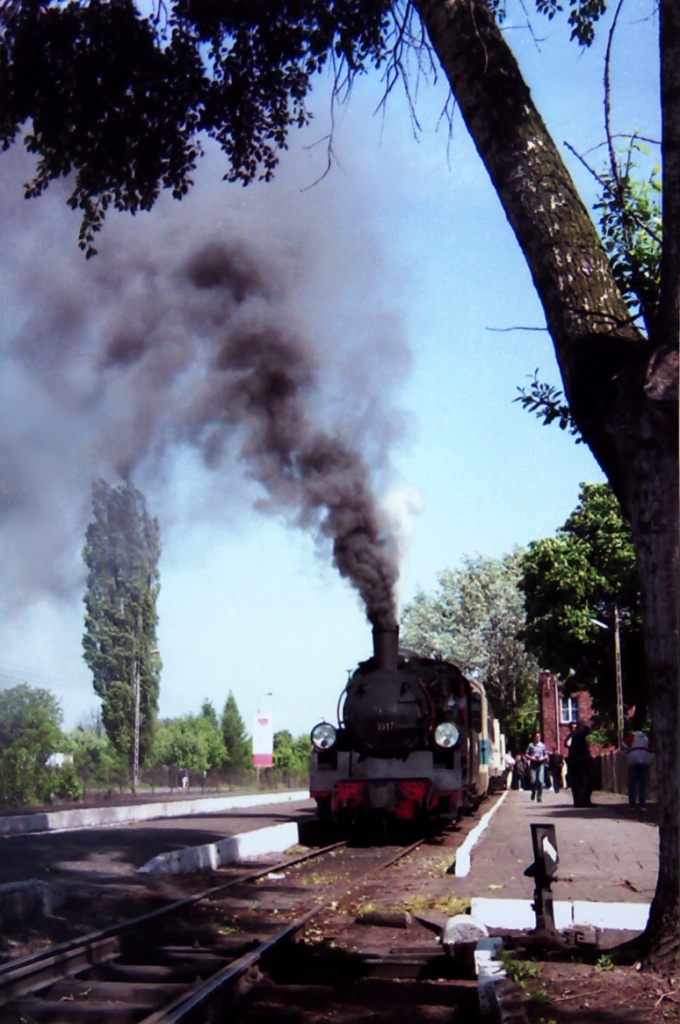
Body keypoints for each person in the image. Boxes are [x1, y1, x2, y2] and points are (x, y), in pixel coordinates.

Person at [621, 722, 654, 810]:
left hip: (633, 761)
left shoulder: (632, 736)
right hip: (644, 761)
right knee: (643, 785)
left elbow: (623, 745)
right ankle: (642, 805)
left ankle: (632, 805)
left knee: (632, 784)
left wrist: (628, 750)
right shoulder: (646, 737)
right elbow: (652, 747)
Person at [566, 721, 593, 807]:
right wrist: (586, 726)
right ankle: (584, 801)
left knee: (576, 784)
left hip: (574, 763)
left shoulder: (574, 736)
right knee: (585, 783)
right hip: (582, 763)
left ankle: (578, 801)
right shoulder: (578, 735)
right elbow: (587, 730)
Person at [525, 730, 549, 802]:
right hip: (533, 763)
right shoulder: (531, 745)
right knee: (533, 780)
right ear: (535, 737)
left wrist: (543, 758)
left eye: (539, 736)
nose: (538, 738)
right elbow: (526, 754)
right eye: (536, 736)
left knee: (540, 781)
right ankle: (533, 792)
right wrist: (531, 757)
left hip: (540, 763)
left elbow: (547, 755)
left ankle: (539, 796)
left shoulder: (543, 745)